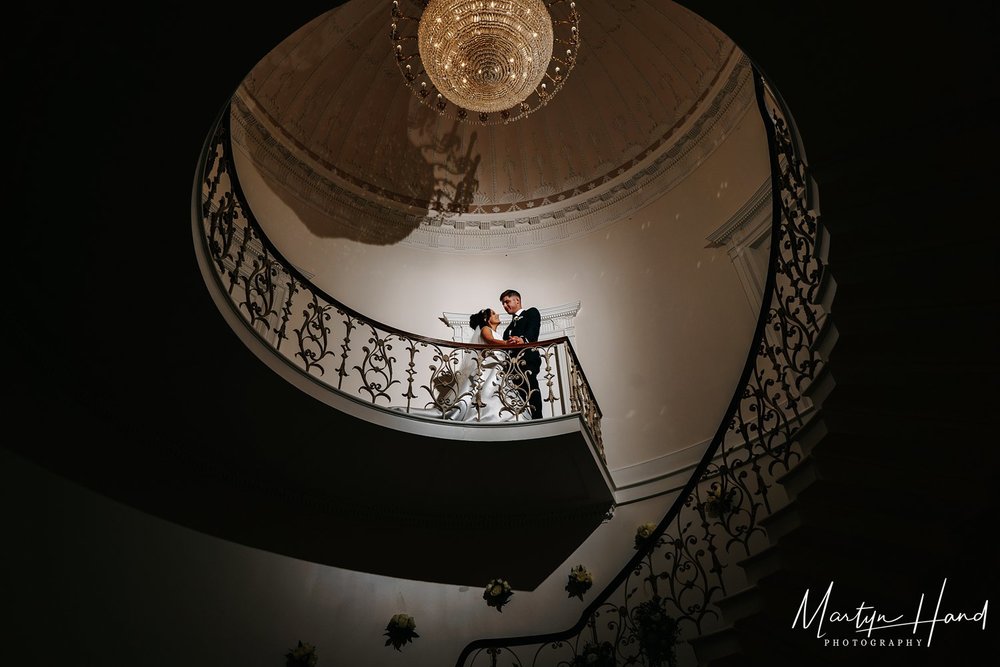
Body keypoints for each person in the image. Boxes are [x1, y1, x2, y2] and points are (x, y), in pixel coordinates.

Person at [500, 289, 543, 420]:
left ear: (517, 300)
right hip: (513, 366)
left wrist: (522, 339)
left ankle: (537, 418)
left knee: (531, 387)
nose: (505, 306)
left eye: (507, 302)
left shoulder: (531, 312)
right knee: (518, 394)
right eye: (503, 304)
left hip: (528, 359)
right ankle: (522, 419)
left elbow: (533, 329)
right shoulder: (508, 329)